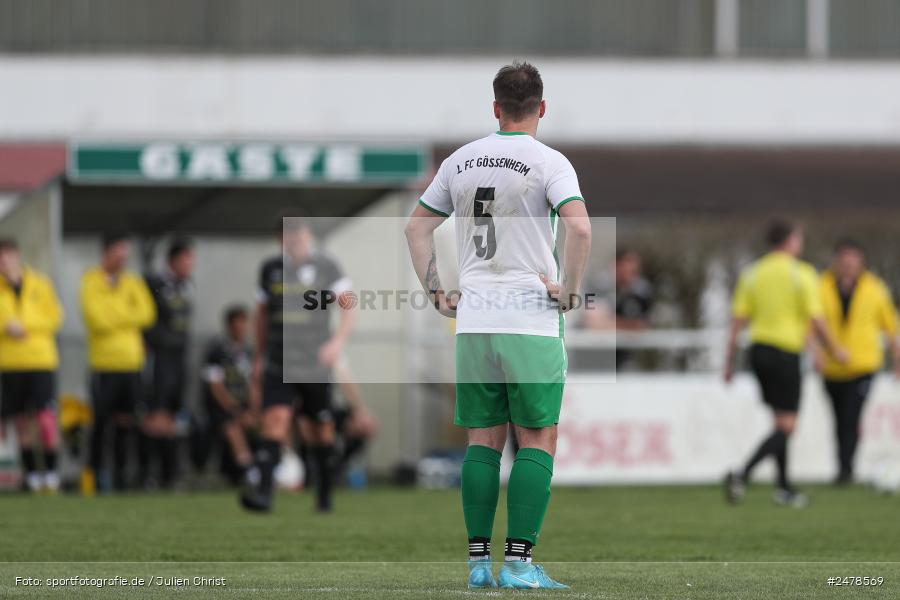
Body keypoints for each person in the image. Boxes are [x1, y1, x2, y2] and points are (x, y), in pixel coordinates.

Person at [405, 62, 591, 589]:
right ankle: (518, 563)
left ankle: (479, 564)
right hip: (530, 320)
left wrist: (437, 290)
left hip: (475, 322)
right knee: (537, 438)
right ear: (542, 107)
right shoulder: (550, 162)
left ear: (495, 108)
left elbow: (416, 228)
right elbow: (578, 226)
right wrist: (571, 290)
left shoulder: (460, 160)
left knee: (482, 442)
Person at [723, 220, 847, 508]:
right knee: (788, 426)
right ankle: (742, 474)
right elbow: (815, 319)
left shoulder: (752, 273)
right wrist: (834, 349)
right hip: (785, 353)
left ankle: (783, 488)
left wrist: (728, 361)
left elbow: (737, 322)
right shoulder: (800, 273)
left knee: (779, 422)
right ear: (790, 241)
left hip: (759, 352)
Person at [240, 217, 355, 513]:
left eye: (297, 235)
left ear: (307, 235)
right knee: (274, 421)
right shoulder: (270, 270)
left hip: (314, 362)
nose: (293, 241)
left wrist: (337, 342)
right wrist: (258, 357)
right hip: (279, 361)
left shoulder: (327, 267)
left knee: (319, 430)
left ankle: (325, 496)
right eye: (286, 236)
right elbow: (262, 316)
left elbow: (348, 305)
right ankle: (263, 495)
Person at [815, 239, 899, 485]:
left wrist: (897, 358)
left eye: (853, 260)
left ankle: (845, 471)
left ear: (861, 262)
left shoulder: (875, 289)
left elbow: (891, 327)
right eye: (844, 260)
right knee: (839, 420)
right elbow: (810, 322)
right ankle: (843, 467)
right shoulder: (822, 286)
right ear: (837, 261)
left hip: (863, 366)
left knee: (851, 418)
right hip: (832, 368)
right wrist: (815, 351)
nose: (848, 265)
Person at [80, 233, 156, 493]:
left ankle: (123, 476)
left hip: (132, 363)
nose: (123, 258)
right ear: (106, 253)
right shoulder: (91, 280)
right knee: (101, 423)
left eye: (126, 254)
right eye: (119, 253)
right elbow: (96, 320)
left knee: (128, 421)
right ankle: (96, 477)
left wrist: (114, 314)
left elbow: (147, 313)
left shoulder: (132, 281)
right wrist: (127, 317)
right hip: (104, 364)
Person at [0, 239, 64, 493]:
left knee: (46, 419)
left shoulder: (40, 283)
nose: (4, 262)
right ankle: (32, 477)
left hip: (40, 360)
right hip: (10, 363)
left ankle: (50, 472)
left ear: (17, 257)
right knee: (21, 422)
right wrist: (5, 327)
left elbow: (54, 317)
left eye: (7, 256)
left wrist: (23, 325)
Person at [141, 238, 195, 489]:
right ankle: (150, 474)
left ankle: (171, 474)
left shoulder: (187, 286)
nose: (189, 265)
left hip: (180, 356)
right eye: (185, 260)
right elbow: (145, 319)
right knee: (157, 415)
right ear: (172, 261)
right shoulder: (154, 283)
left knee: (174, 416)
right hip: (160, 357)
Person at [203, 304, 258, 484]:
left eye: (244, 323)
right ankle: (248, 471)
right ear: (229, 326)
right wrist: (235, 410)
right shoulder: (217, 351)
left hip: (245, 406)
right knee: (232, 428)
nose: (241, 328)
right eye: (237, 323)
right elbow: (215, 386)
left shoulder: (250, 351)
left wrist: (253, 409)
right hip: (222, 408)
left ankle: (276, 468)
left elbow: (254, 383)